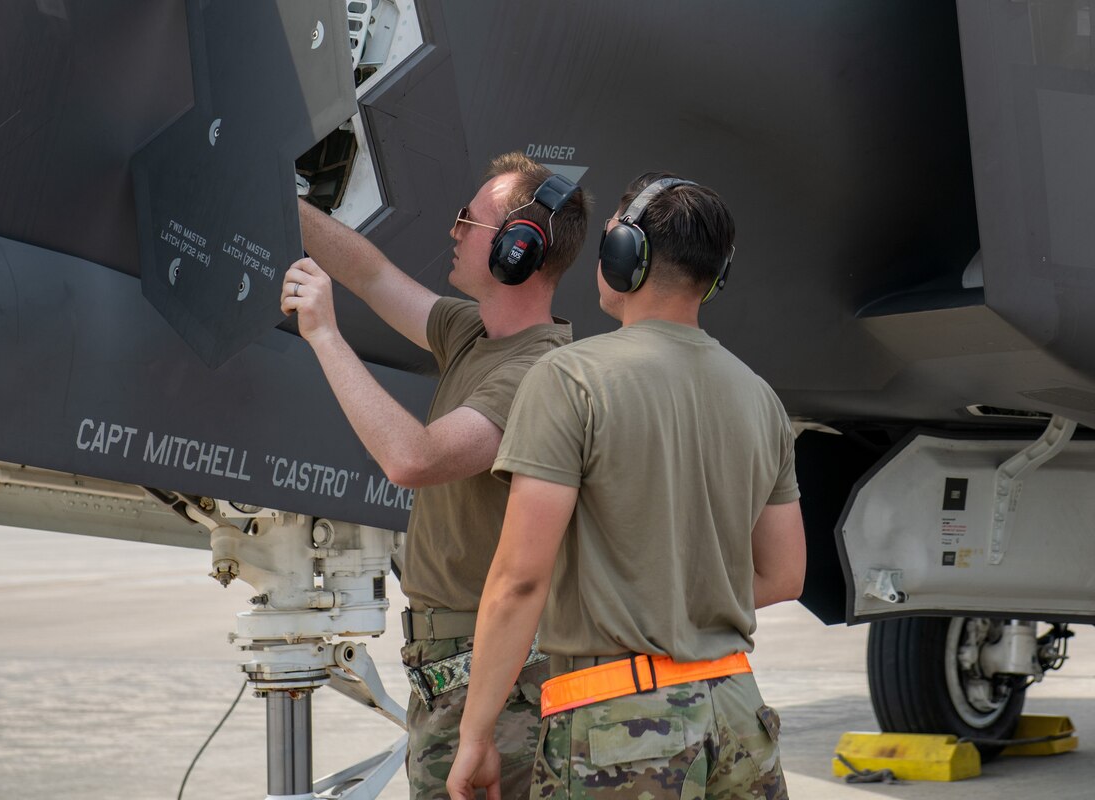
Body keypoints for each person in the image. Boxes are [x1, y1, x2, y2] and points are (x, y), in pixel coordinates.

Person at [446, 173, 806, 800]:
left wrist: (476, 734)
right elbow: (784, 575)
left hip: (619, 725)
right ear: (714, 277)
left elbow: (520, 579)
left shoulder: (570, 380)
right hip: (739, 717)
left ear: (624, 256)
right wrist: (674, 599)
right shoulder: (760, 398)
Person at [279, 152, 591, 800]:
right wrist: (279, 207)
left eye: (467, 221)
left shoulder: (536, 376)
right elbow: (369, 273)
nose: (452, 231)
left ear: (517, 250)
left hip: (496, 694)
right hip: (453, 679)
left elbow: (412, 459)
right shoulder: (475, 333)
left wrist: (325, 336)